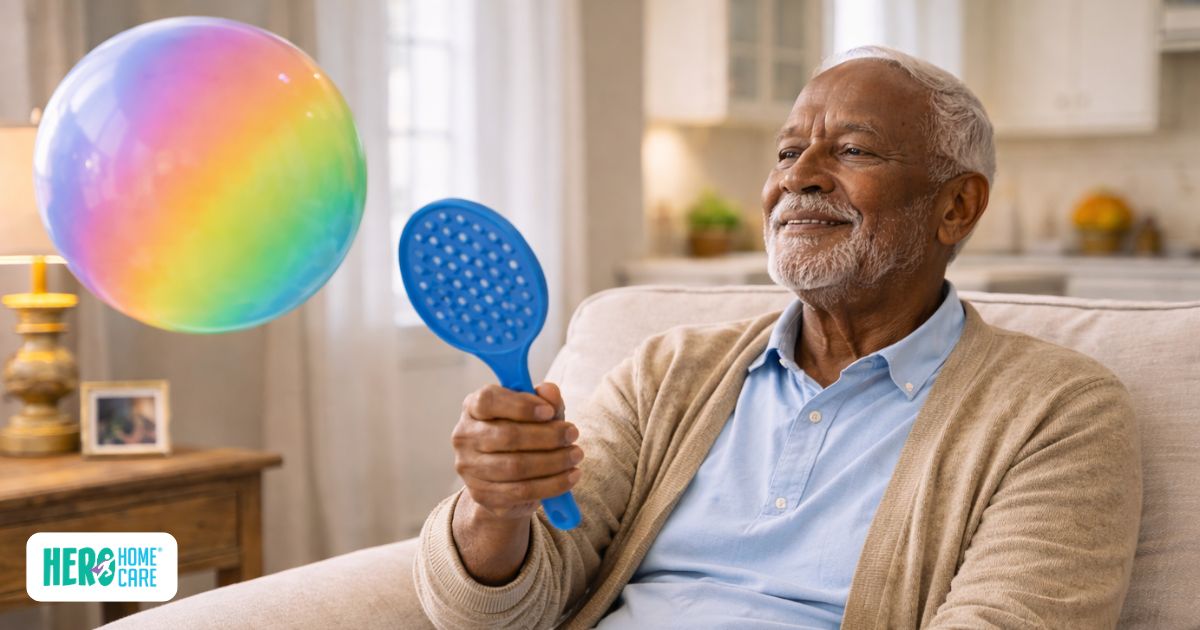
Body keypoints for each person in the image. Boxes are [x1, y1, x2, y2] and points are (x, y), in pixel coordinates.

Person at [413, 46, 1141, 629]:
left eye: (852, 150)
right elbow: (493, 613)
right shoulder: (667, 371)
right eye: (789, 152)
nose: (801, 178)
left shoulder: (1059, 410)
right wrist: (495, 508)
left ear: (956, 205)